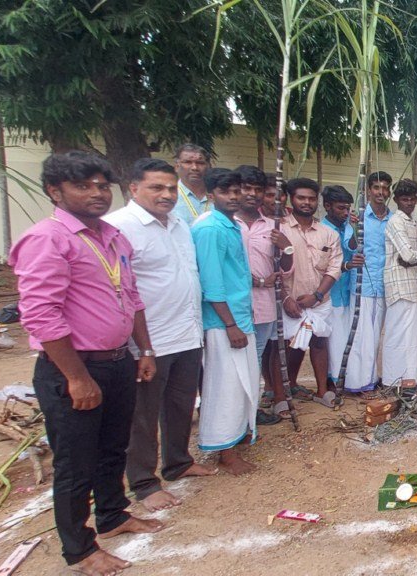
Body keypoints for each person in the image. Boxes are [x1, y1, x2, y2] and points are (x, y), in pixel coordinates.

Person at [11, 151, 163, 575]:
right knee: (75, 461)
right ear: (54, 191)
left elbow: (130, 296)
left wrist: (144, 350)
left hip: (118, 362)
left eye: (101, 185)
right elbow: (41, 315)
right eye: (83, 186)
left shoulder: (112, 236)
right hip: (73, 367)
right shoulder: (48, 238)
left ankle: (113, 515)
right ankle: (79, 550)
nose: (96, 193)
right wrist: (76, 378)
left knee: (112, 447)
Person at [103, 159, 215, 514]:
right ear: (133, 188)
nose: (166, 194)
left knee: (181, 403)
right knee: (143, 413)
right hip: (148, 340)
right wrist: (143, 345)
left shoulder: (180, 223)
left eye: (170, 187)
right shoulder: (118, 228)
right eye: (156, 187)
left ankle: (178, 461)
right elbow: (120, 290)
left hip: (187, 332)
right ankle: (143, 482)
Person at [191, 168, 260, 476]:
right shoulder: (209, 228)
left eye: (237, 190)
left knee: (244, 380)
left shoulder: (230, 225)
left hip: (239, 316)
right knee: (226, 385)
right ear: (210, 195)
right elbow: (212, 282)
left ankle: (237, 434)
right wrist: (230, 324)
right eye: (226, 192)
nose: (234, 197)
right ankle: (224, 451)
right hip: (223, 322)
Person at [233, 166, 293, 422]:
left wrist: (286, 247)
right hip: (232, 306)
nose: (253, 194)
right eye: (248, 188)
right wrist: (257, 281)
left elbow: (286, 270)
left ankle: (249, 411)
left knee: (255, 357)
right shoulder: (225, 223)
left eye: (258, 190)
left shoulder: (272, 227)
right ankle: (234, 414)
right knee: (232, 361)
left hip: (264, 305)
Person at [280, 178, 343, 408]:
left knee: (319, 342)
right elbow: (273, 267)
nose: (306, 203)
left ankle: (322, 391)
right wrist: (286, 299)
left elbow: (334, 268)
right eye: (301, 198)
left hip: (319, 301)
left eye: (311, 198)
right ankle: (282, 392)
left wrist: (316, 296)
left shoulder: (328, 234)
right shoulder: (280, 229)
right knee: (290, 345)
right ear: (291, 199)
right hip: (290, 301)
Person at [342, 171, 393, 395]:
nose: (380, 192)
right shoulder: (359, 218)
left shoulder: (394, 219)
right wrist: (354, 226)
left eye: (384, 188)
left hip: (386, 285)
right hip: (363, 285)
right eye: (376, 187)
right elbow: (351, 246)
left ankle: (372, 378)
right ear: (368, 190)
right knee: (362, 335)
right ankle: (359, 382)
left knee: (378, 334)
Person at [319, 185, 363, 395]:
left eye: (347, 208)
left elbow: (353, 246)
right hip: (330, 292)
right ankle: (334, 380)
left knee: (345, 336)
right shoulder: (322, 230)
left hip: (348, 290)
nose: (345, 212)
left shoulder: (346, 225)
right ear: (327, 206)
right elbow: (324, 264)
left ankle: (344, 378)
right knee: (334, 340)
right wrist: (346, 266)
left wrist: (353, 226)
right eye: (340, 208)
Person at [383, 179, 417, 389]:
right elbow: (408, 255)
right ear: (396, 200)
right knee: (397, 336)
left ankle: (409, 378)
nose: (409, 202)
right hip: (399, 285)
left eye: (412, 199)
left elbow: (413, 257)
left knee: (411, 336)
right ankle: (392, 380)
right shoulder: (395, 221)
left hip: (411, 285)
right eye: (404, 199)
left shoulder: (410, 221)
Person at [170, 143, 212, 225]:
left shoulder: (218, 195)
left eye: (200, 163)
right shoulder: (169, 195)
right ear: (177, 167)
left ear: (208, 166)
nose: (194, 168)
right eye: (188, 162)